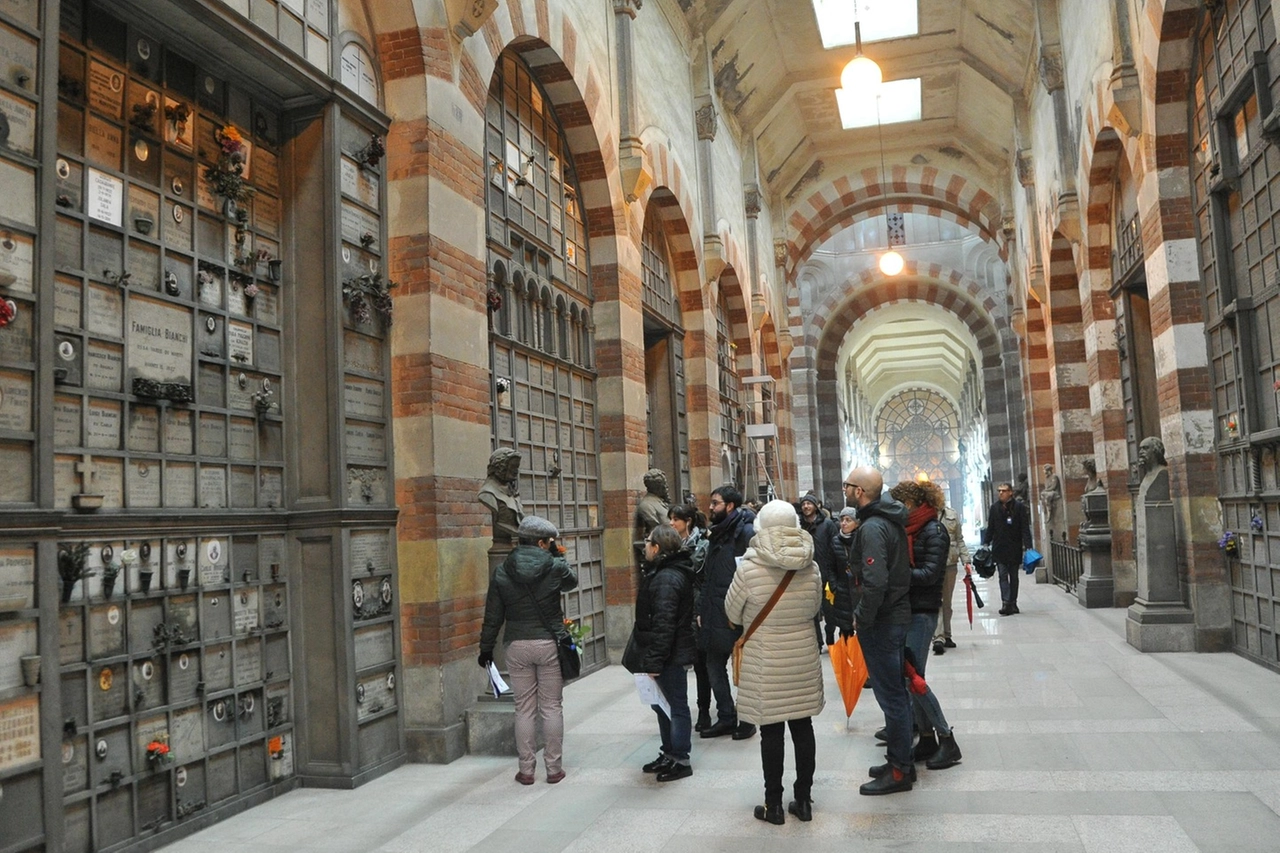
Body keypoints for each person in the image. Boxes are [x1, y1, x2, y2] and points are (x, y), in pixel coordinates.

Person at [724, 500, 824, 825]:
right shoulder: (811, 565)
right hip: (801, 657)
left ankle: (774, 806)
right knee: (803, 727)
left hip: (766, 659)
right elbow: (814, 608)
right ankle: (804, 800)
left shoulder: (749, 569)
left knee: (771, 733)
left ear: (760, 528)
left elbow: (731, 612)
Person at [477, 515, 578, 784]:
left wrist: (486, 649)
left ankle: (526, 770)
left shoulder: (502, 570)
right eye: (550, 542)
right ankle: (554, 770)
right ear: (543, 543)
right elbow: (572, 582)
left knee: (523, 708)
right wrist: (559, 558)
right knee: (552, 707)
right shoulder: (555, 566)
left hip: (517, 645)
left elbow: (493, 616)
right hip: (548, 644)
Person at [842, 466, 914, 795]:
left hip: (883, 621)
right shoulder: (887, 519)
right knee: (894, 695)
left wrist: (861, 616)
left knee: (891, 697)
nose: (844, 489)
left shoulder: (872, 527)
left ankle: (900, 771)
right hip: (892, 616)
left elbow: (875, 581)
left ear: (860, 492)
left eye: (848, 485)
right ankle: (898, 760)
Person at [887, 481, 961, 771]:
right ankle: (927, 737)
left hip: (923, 611)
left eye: (898, 503)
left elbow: (931, 574)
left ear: (911, 502)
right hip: (908, 609)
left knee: (914, 679)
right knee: (911, 677)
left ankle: (947, 738)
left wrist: (898, 574)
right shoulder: (910, 529)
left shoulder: (934, 530)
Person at [623, 523, 697, 782]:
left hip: (670, 654)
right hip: (664, 652)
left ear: (657, 547)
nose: (644, 546)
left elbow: (664, 623)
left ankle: (680, 758)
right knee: (662, 706)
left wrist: (655, 660)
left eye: (648, 542)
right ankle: (669, 752)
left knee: (675, 707)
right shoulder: (663, 572)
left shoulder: (667, 577)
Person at [698, 484, 757, 740]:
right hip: (715, 610)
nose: (710, 508)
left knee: (743, 669)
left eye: (715, 503)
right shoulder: (718, 533)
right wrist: (702, 608)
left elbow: (751, 575)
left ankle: (747, 719)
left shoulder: (744, 533)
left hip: (739, 614)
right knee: (713, 665)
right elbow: (708, 575)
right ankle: (726, 717)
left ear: (730, 506)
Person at [668, 503, 711, 731]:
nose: (672, 523)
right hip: (676, 609)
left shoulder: (701, 545)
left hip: (694, 608)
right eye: (671, 519)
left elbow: (697, 576)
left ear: (688, 522)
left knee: (701, 663)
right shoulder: (668, 544)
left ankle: (703, 709)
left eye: (676, 519)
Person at [926, 482, 970, 655]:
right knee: (937, 601)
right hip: (932, 564)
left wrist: (966, 560)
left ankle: (948, 634)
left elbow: (959, 539)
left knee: (947, 602)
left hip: (950, 563)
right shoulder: (926, 516)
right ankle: (938, 637)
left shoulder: (952, 514)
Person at [983, 481, 1033, 615]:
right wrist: (986, 543)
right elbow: (991, 527)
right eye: (999, 490)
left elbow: (1024, 528)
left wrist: (1028, 546)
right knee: (1002, 575)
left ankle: (1013, 602)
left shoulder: (1019, 507)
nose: (1000, 493)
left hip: (1014, 547)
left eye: (1003, 490)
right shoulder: (994, 508)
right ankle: (1006, 602)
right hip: (999, 548)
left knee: (1014, 576)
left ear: (1010, 492)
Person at [798, 492, 838, 648]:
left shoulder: (827, 524)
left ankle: (829, 636)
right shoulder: (799, 525)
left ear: (816, 506)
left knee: (830, 610)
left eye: (809, 503)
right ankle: (817, 641)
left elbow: (835, 546)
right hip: (806, 575)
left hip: (825, 573)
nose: (806, 506)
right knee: (812, 611)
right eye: (803, 504)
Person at [827, 507, 860, 635]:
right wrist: (835, 586)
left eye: (848, 520)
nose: (844, 523)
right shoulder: (836, 541)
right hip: (842, 590)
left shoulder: (862, 539)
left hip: (859, 588)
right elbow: (831, 566)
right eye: (842, 520)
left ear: (856, 523)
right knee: (845, 629)